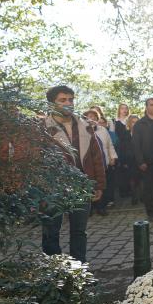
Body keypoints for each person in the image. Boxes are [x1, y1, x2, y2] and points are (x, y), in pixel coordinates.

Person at [42, 86, 105, 262]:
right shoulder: (42, 128)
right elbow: (36, 161)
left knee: (79, 231)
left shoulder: (85, 126)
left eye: (71, 99)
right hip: (53, 188)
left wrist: (99, 184)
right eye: (62, 100)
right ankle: (54, 270)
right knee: (50, 232)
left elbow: (96, 157)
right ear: (51, 104)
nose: (68, 103)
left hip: (82, 184)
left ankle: (79, 269)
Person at [83, 109, 117, 215]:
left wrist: (112, 157)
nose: (91, 119)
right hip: (89, 164)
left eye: (94, 117)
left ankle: (101, 207)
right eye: (89, 117)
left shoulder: (102, 129)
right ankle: (89, 208)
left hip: (103, 162)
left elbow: (109, 144)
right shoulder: (82, 130)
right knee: (89, 186)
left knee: (102, 185)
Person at [114, 104, 134, 201]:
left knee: (130, 169)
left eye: (126, 108)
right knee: (121, 170)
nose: (124, 110)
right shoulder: (114, 121)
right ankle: (123, 191)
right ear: (119, 110)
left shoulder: (130, 121)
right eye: (122, 108)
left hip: (130, 147)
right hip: (119, 148)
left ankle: (131, 190)